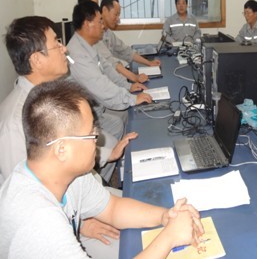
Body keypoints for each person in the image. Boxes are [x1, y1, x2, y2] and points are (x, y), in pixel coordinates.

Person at [0, 79, 204, 258]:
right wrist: (169, 237)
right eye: (91, 134)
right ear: (62, 149)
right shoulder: (38, 222)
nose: (97, 140)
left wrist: (165, 216)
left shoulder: (64, 174)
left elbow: (112, 208)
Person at [0, 16, 136, 257]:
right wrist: (82, 226)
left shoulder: (52, 94)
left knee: (138, 206)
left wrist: (108, 154)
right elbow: (25, 198)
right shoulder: (14, 123)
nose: (64, 49)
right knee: (134, 243)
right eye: (57, 43)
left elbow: (76, 138)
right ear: (36, 59)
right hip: (55, 226)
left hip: (82, 198)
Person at [67, 2, 152, 179]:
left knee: (120, 122)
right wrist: (132, 99)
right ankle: (100, 182)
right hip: (79, 121)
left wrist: (128, 86)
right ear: (87, 23)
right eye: (99, 21)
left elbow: (107, 69)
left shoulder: (88, 46)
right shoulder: (76, 53)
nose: (103, 25)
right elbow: (101, 86)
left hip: (95, 110)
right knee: (113, 141)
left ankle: (112, 172)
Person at [100, 0, 161, 83]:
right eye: (116, 14)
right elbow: (111, 62)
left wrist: (149, 63)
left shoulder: (108, 33)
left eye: (118, 15)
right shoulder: (95, 36)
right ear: (105, 10)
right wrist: (135, 78)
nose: (118, 19)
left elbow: (126, 51)